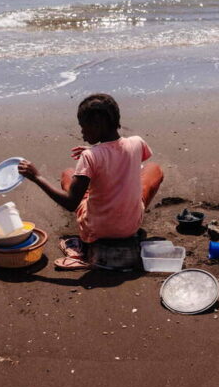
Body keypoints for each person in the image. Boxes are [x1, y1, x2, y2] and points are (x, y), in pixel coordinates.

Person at [17, 93, 163, 269]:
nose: (82, 133)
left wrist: (36, 177)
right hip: (131, 226)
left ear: (97, 125)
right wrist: (99, 151)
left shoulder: (89, 156)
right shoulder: (137, 142)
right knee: (154, 169)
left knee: (68, 174)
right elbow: (123, 157)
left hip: (97, 230)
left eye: (83, 127)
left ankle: (82, 246)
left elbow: (71, 203)